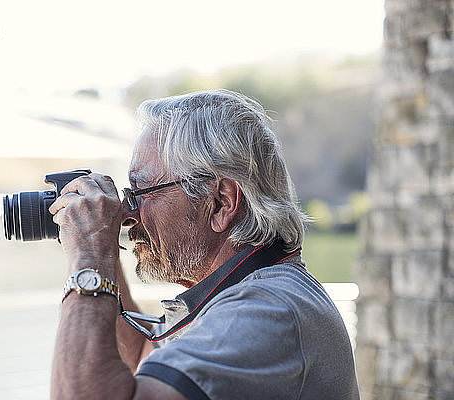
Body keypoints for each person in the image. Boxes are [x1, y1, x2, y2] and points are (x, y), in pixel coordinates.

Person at [48, 89, 359, 400]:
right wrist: (100, 242)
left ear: (221, 202)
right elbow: (143, 353)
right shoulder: (253, 293)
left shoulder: (266, 311)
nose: (128, 214)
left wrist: (89, 257)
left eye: (140, 192)